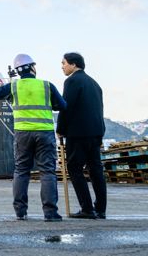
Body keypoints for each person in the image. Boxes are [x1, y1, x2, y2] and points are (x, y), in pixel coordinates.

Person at [0, 53, 66, 222]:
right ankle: (50, 213)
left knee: (21, 171)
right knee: (47, 172)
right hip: (45, 132)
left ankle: (21, 212)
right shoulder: (46, 85)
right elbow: (62, 105)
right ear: (33, 68)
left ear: (18, 71)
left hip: (22, 134)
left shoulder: (14, 86)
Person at [57, 52, 107, 220]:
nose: (62, 66)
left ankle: (87, 209)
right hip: (96, 132)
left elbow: (66, 107)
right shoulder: (95, 83)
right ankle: (100, 209)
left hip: (78, 133)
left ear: (73, 64)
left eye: (64, 63)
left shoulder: (72, 81)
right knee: (96, 170)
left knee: (74, 168)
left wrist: (60, 129)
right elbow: (100, 109)